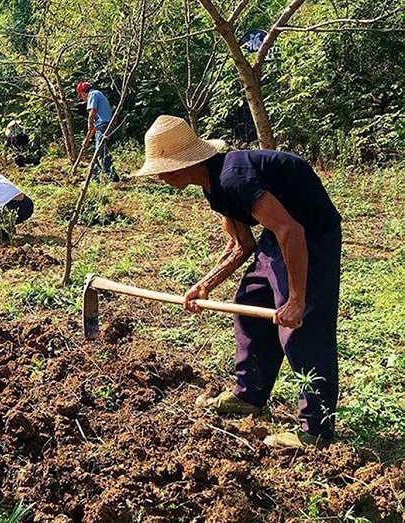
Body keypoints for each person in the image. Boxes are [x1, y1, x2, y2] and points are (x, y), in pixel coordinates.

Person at [135, 115, 342, 449]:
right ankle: (250, 396)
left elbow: (292, 230)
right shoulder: (213, 187)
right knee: (249, 306)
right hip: (280, 234)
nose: (158, 176)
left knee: (301, 327)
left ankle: (316, 430)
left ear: (182, 165)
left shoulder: (234, 178)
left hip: (311, 233)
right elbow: (243, 245)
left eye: (162, 168)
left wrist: (298, 300)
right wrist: (205, 285)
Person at [76, 81, 117, 181]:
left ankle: (114, 180)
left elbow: (92, 113)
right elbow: (94, 127)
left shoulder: (93, 95)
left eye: (81, 96)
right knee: (97, 155)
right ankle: (94, 179)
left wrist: (89, 123)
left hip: (103, 127)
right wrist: (87, 140)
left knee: (101, 154)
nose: (83, 100)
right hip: (102, 126)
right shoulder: (98, 95)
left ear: (83, 93)